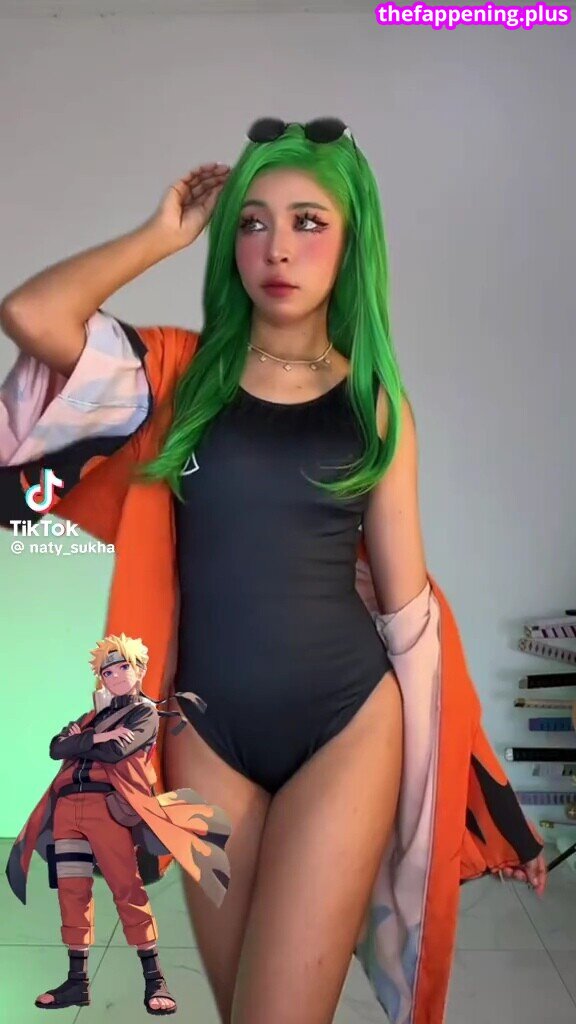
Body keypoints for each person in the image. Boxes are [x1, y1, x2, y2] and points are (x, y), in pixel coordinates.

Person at [0, 118, 548, 1024]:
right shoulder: (179, 378)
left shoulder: (376, 402)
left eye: (308, 222)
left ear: (352, 241)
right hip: (205, 738)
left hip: (348, 727)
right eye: (252, 222)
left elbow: (412, 617)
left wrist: (485, 786)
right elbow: (31, 315)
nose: (277, 248)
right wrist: (162, 234)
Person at [5, 632, 232, 1016]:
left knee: (127, 888)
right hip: (67, 810)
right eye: (107, 671)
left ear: (139, 669)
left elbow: (115, 751)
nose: (115, 675)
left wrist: (86, 740)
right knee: (72, 891)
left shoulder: (144, 714)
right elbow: (56, 748)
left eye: (123, 666)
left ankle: (155, 979)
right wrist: (98, 733)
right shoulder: (90, 718)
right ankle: (77, 982)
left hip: (108, 808)